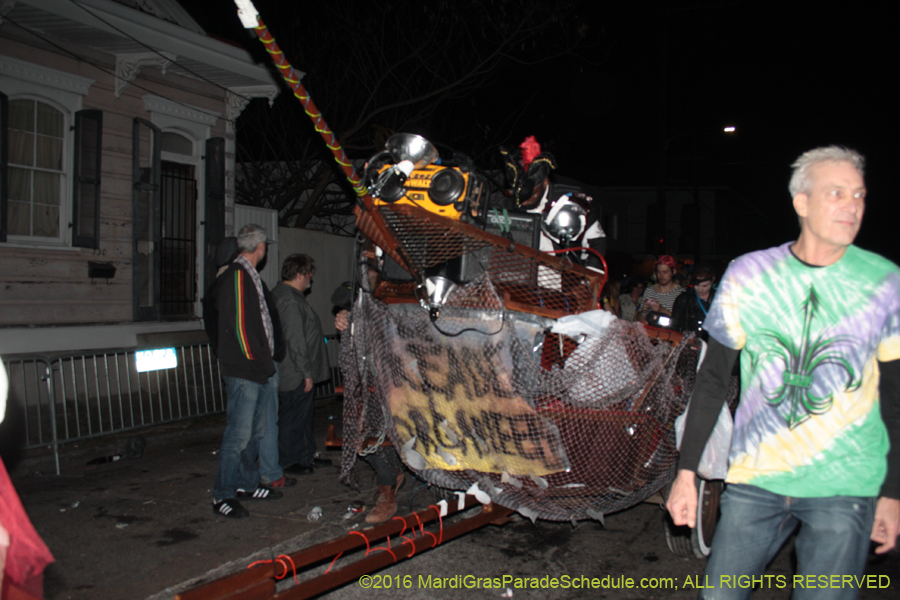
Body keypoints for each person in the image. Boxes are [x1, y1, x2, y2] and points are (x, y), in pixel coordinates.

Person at [666, 146, 900, 599]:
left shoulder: (885, 282)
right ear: (802, 203)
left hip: (844, 484)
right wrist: (686, 472)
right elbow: (713, 379)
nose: (852, 205)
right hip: (758, 478)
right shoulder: (749, 274)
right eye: (837, 193)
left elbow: (893, 395)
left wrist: (891, 492)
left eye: (859, 195)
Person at [209, 224, 286, 518]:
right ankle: (222, 494)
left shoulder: (247, 276)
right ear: (261, 247)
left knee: (255, 432)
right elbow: (242, 328)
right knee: (238, 435)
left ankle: (246, 484)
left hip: (255, 369)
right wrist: (263, 363)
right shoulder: (238, 276)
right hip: (246, 370)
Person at [499, 136, 607, 266]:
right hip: (516, 276)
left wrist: (585, 282)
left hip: (560, 276)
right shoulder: (505, 206)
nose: (523, 201)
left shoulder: (572, 201)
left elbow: (596, 240)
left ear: (545, 182)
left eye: (531, 193)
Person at [272, 254, 332, 475]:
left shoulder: (289, 295)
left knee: (303, 416)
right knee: (292, 418)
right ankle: (289, 460)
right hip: (294, 372)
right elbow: (295, 338)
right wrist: (306, 372)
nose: (311, 279)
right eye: (308, 274)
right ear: (299, 274)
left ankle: (306, 455)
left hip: (296, 370)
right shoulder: (289, 299)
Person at [669, 264, 716, 339]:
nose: (700, 289)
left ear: (712, 280)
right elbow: (674, 325)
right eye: (697, 285)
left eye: (705, 286)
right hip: (687, 343)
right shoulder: (683, 299)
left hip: (711, 345)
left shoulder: (719, 301)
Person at [635, 255, 683, 323]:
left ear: (674, 272)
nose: (661, 275)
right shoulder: (649, 291)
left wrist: (661, 310)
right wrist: (644, 311)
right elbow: (638, 321)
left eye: (665, 272)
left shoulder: (681, 293)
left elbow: (682, 322)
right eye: (658, 272)